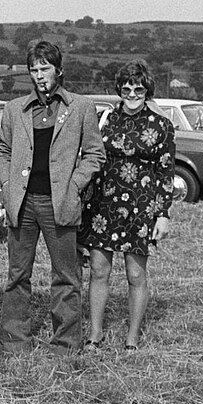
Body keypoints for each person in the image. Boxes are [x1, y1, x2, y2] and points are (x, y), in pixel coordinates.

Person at [0, 40, 104, 354]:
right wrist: (6, 183)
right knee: (17, 274)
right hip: (23, 204)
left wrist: (74, 186)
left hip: (60, 203)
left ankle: (66, 343)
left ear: (59, 70)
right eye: (34, 69)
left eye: (45, 68)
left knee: (66, 276)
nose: (40, 75)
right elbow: (3, 152)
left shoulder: (81, 107)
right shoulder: (15, 108)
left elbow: (95, 154)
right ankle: (15, 340)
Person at [80, 60, 174, 352]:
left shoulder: (162, 125)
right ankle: (95, 336)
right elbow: (91, 156)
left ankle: (131, 339)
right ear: (119, 88)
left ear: (148, 90)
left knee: (136, 275)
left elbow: (165, 171)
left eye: (139, 88)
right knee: (98, 270)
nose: (132, 93)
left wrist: (163, 214)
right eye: (126, 88)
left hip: (141, 207)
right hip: (103, 204)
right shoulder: (105, 118)